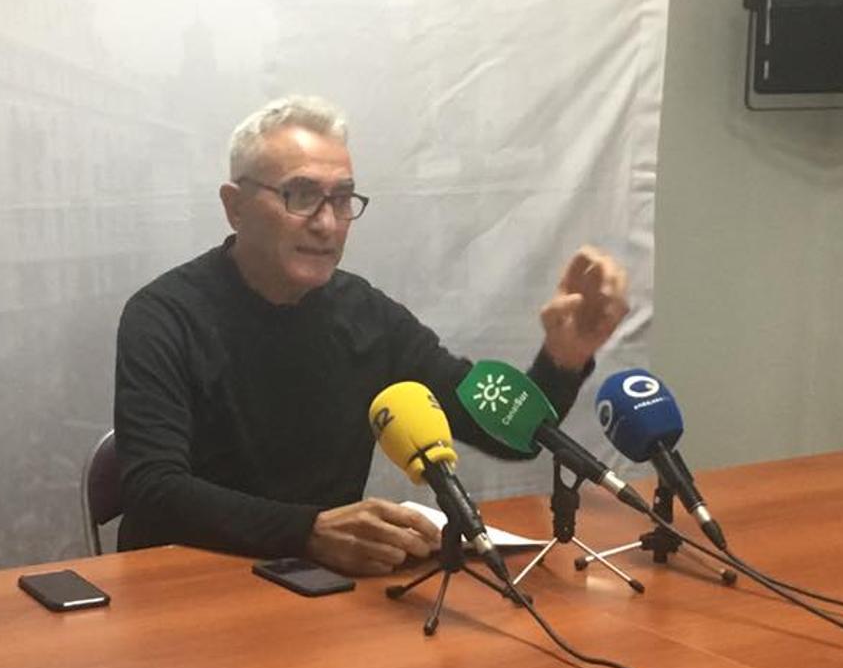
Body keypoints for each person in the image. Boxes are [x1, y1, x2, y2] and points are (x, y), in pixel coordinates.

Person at [114, 95, 629, 576]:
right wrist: (308, 532)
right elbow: (153, 491)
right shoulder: (164, 315)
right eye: (301, 196)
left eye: (341, 200)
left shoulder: (364, 314)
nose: (327, 223)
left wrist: (562, 361)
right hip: (187, 588)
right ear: (235, 206)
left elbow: (501, 432)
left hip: (320, 591)